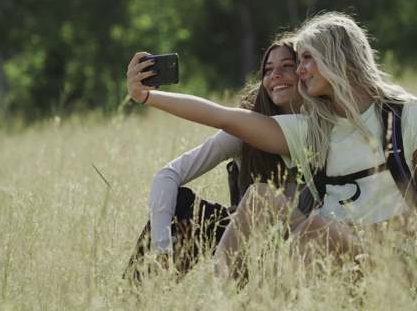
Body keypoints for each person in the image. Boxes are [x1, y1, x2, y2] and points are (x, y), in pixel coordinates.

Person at [125, 11, 417, 281]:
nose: (301, 69)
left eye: (308, 58)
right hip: (324, 248)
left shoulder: (409, 115)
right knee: (262, 199)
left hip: (390, 259)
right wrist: (148, 96)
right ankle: (227, 300)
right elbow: (223, 116)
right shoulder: (311, 130)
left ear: (339, 57)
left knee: (305, 238)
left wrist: (365, 233)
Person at [124, 41, 316, 280]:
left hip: (303, 246)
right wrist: (162, 247)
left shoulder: (326, 129)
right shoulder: (246, 130)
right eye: (268, 70)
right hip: (248, 246)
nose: (276, 75)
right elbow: (167, 175)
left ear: (304, 72)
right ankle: (137, 298)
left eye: (287, 66)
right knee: (185, 204)